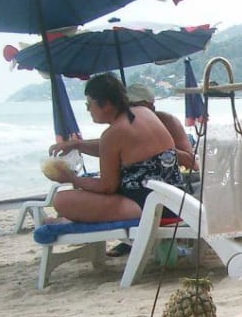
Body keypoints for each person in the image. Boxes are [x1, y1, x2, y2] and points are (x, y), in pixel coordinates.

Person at [44, 73, 186, 223]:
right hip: (175, 200)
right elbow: (119, 149)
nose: (88, 110)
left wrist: (70, 178)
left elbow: (107, 187)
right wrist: (77, 144)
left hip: (149, 207)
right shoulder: (144, 113)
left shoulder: (113, 134)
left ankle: (68, 221)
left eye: (89, 104)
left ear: (106, 105)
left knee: (61, 200)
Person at [51, 82, 197, 172]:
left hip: (171, 183)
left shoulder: (167, 121)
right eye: (129, 104)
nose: (131, 108)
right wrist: (77, 144)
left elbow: (192, 162)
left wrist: (157, 149)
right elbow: (108, 148)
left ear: (151, 105)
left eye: (136, 104)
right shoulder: (125, 124)